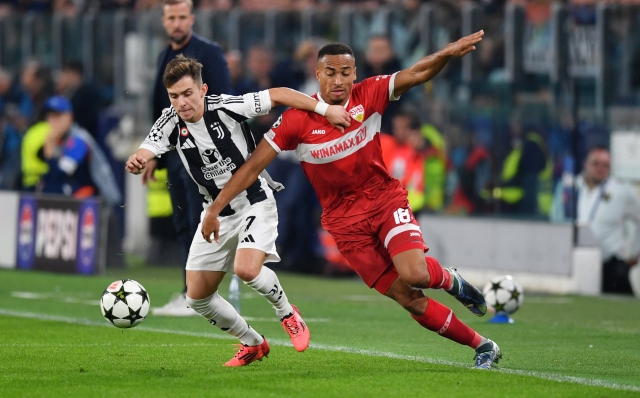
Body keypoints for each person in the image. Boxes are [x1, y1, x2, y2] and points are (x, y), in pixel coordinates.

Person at [202, 32, 505, 369]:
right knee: (409, 299)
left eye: (345, 72)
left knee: (416, 274)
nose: (338, 80)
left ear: (355, 73)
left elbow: (416, 73)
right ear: (317, 75)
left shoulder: (370, 94)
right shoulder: (296, 121)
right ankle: (484, 346)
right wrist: (215, 208)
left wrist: (445, 53)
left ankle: (450, 280)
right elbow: (252, 167)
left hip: (383, 200)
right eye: (330, 72)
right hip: (344, 224)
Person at [125, 55, 350, 366]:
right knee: (197, 297)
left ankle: (287, 312)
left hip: (254, 200)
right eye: (174, 96)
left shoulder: (226, 106)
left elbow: (280, 94)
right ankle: (253, 343)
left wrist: (326, 109)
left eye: (188, 94)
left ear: (202, 90)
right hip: (215, 214)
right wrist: (139, 158)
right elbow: (148, 147)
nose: (182, 103)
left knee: (247, 269)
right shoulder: (169, 121)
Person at [148, 0, 232, 316]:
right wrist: (154, 152)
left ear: (192, 18)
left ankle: (200, 295)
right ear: (164, 20)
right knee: (183, 222)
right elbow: (160, 109)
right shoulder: (163, 56)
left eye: (182, 17)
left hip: (203, 154)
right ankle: (190, 291)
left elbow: (224, 100)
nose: (177, 23)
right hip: (175, 155)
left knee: (200, 220)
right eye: (172, 17)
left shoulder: (209, 53)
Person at [551, 146, 640, 296]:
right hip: (576, 262)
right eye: (596, 163)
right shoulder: (571, 187)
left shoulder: (620, 191)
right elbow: (556, 218)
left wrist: (634, 253)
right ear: (585, 164)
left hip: (610, 264)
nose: (601, 169)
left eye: (606, 165)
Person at [37, 95, 121, 205]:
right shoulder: (59, 140)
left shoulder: (79, 139)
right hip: (81, 201)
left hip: (103, 204)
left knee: (53, 189)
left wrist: (49, 149)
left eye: (57, 116)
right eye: (49, 117)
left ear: (69, 117)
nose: (52, 122)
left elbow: (60, 175)